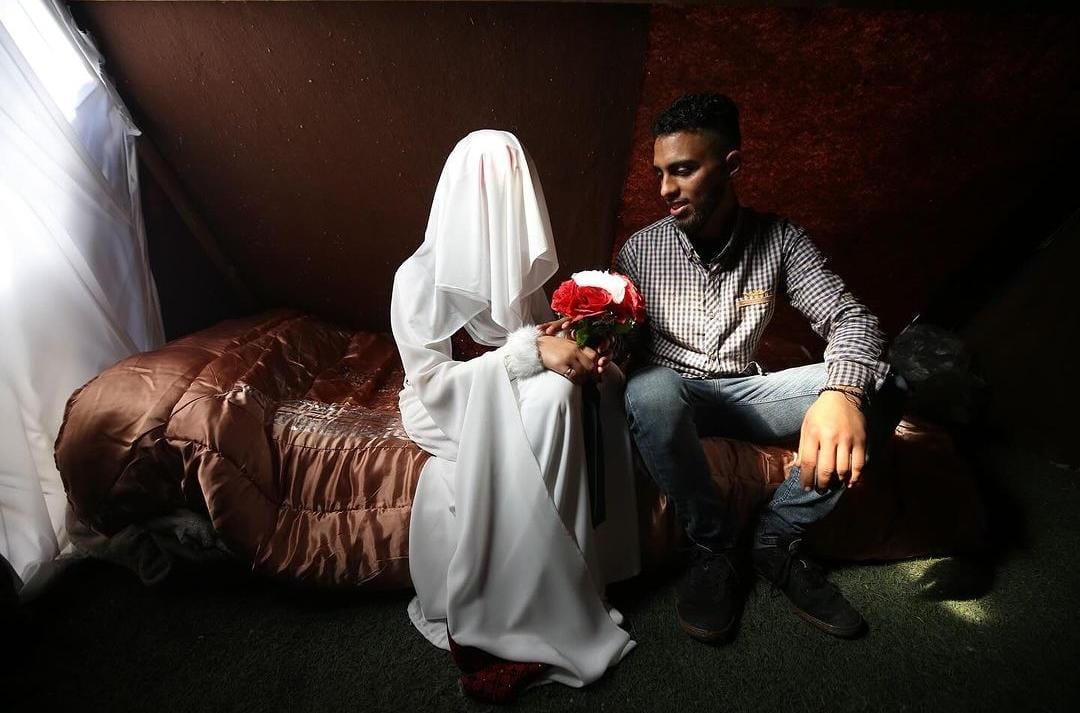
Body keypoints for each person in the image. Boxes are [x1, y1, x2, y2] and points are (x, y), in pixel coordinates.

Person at [615, 93, 905, 643]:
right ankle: (714, 545)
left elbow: (852, 319)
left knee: (887, 380)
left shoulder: (781, 240)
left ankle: (777, 534)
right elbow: (626, 343)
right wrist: (590, 336)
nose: (665, 190)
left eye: (683, 170)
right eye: (659, 173)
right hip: (670, 397)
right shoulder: (638, 251)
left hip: (747, 392)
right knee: (649, 391)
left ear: (731, 166)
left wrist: (841, 393)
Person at [390, 130, 639, 697]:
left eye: (510, 192)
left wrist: (574, 348)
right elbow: (433, 384)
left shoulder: (518, 277)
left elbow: (533, 342)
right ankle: (516, 605)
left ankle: (567, 584)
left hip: (506, 387)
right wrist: (531, 351)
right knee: (552, 398)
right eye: (485, 190)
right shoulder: (417, 279)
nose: (498, 206)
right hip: (445, 405)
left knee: (584, 391)